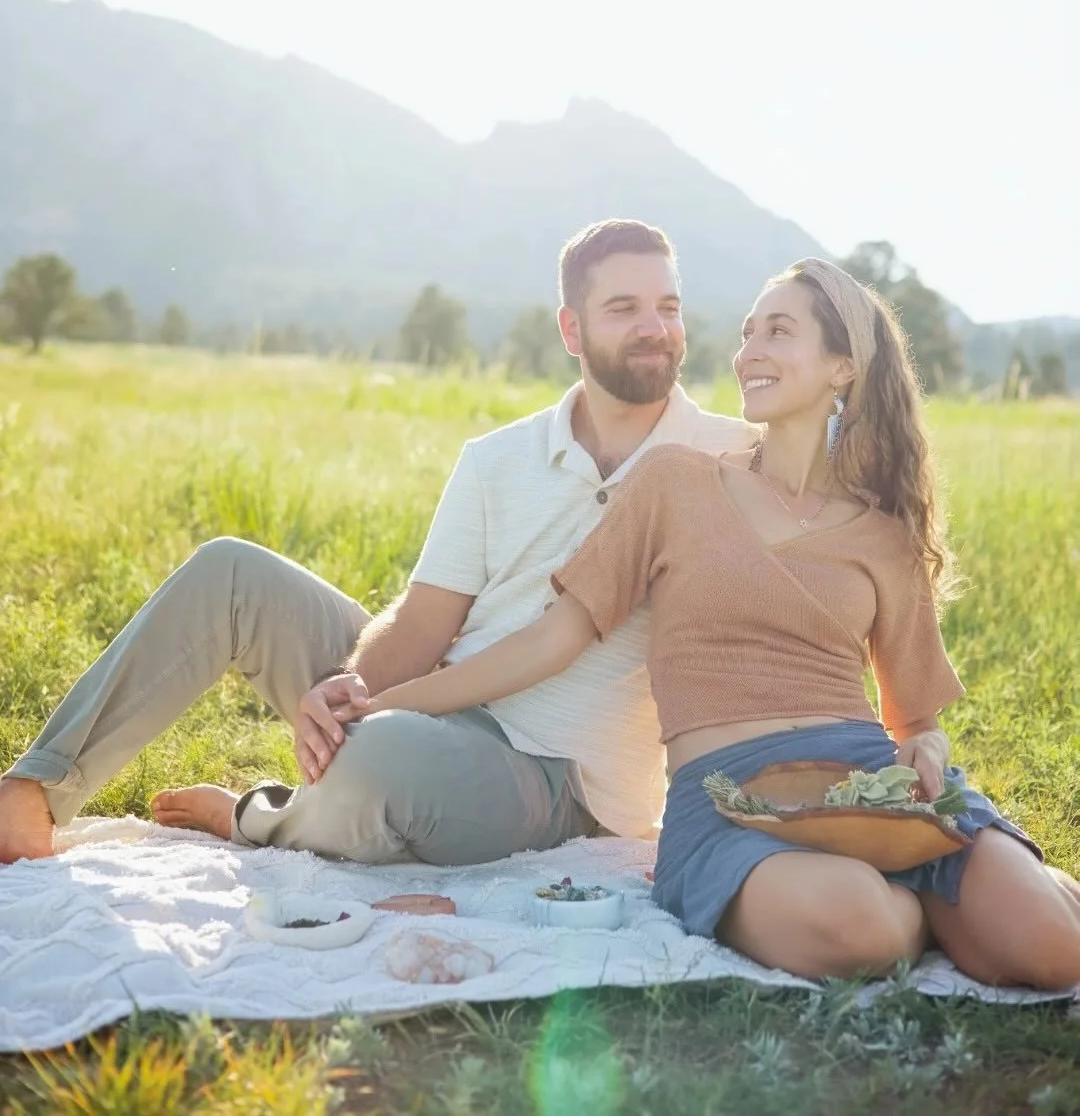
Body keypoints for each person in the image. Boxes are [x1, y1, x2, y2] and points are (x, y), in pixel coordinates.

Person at [343, 258, 1080, 990]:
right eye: (746, 331)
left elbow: (914, 720)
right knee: (866, 929)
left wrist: (923, 748)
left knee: (1053, 951)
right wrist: (383, 705)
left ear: (842, 367)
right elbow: (548, 640)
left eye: (778, 332)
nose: (747, 352)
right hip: (729, 802)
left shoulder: (885, 533)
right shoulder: (674, 482)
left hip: (871, 791)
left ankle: (980, 893)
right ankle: (933, 912)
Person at [0, 219, 753, 867]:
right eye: (624, 308)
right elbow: (426, 620)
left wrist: (378, 724)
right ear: (571, 329)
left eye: (668, 306)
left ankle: (254, 816)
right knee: (230, 571)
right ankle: (36, 791)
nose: (656, 327)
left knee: (382, 758)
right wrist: (350, 688)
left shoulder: (728, 460)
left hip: (556, 777)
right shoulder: (497, 458)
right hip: (433, 701)